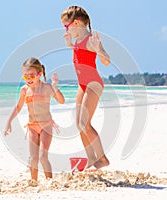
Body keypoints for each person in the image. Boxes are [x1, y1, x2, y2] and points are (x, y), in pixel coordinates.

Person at [60, 6, 110, 169]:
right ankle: (91, 158)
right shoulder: (77, 41)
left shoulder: (90, 40)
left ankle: (102, 158)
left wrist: (99, 49)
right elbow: (80, 53)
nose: (66, 30)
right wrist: (69, 44)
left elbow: (107, 61)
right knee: (79, 124)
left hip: (93, 84)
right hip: (82, 85)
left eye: (66, 26)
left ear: (76, 23)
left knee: (84, 123)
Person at [4, 57, 65, 181]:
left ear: (39, 74)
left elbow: (62, 101)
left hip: (46, 125)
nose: (28, 79)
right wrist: (9, 121)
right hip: (32, 126)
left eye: (31, 76)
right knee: (33, 158)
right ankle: (34, 182)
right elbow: (19, 106)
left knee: (43, 157)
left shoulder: (47, 87)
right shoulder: (24, 90)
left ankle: (50, 181)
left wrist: (55, 86)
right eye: (25, 77)